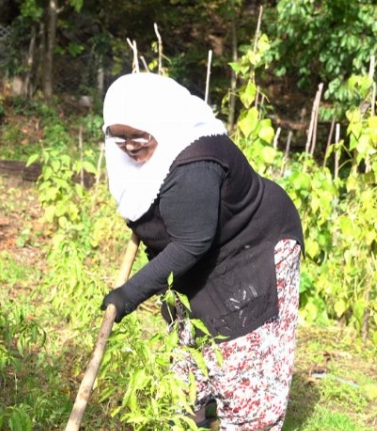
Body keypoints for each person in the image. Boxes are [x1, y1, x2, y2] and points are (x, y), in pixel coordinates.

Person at [99, 72, 303, 430]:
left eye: (139, 134)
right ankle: (195, 411)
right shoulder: (144, 159)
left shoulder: (193, 162)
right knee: (190, 346)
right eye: (120, 137)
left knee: (244, 351)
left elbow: (192, 243)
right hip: (206, 250)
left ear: (159, 122)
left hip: (254, 246)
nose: (130, 146)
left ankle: (243, 418)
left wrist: (128, 295)